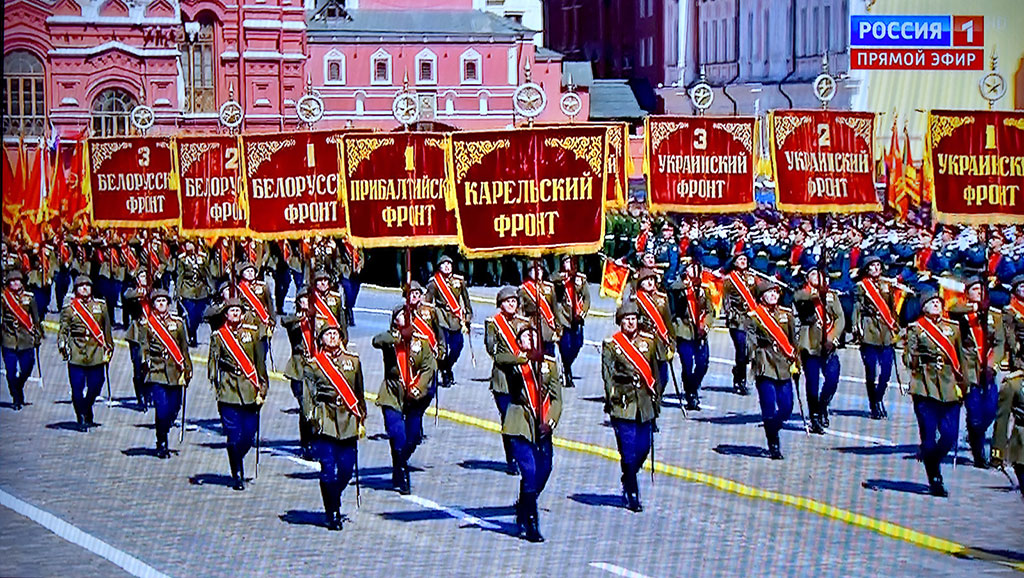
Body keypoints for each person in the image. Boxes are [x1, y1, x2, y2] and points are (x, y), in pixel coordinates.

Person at [302, 325, 365, 530]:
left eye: (335, 334)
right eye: (327, 334)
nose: (332, 337)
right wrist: (312, 418)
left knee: (346, 468)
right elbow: (308, 396)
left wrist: (361, 417)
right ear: (321, 339)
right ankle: (332, 511)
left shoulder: (352, 361)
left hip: (347, 419)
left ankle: (333, 497)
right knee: (328, 470)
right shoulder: (314, 365)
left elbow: (358, 391)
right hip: (326, 419)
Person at [503, 326, 562, 543]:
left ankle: (523, 503)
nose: (531, 338)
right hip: (519, 423)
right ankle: (532, 523)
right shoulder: (514, 362)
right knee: (529, 471)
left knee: (544, 470)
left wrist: (550, 422)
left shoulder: (549, 364)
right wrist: (526, 358)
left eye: (534, 335)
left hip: (542, 423)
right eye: (526, 336)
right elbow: (501, 359)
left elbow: (557, 398)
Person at [903, 290, 964, 497]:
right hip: (925, 386)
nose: (936, 304)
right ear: (923, 307)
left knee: (949, 436)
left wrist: (964, 382)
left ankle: (932, 459)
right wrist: (915, 355)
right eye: (931, 302)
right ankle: (934, 476)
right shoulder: (916, 329)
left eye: (938, 301)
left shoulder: (953, 328)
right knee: (928, 438)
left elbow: (960, 358)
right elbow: (908, 359)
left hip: (948, 387)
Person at [373, 304, 437, 494]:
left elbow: (429, 368)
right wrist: (399, 336)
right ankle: (401, 472)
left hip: (414, 396)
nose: (405, 318)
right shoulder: (390, 339)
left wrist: (419, 388)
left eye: (409, 315)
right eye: (401, 315)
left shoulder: (421, 341)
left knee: (414, 437)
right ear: (395, 320)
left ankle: (399, 460)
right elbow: (376, 341)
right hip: (392, 393)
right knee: (397, 434)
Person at [602, 301, 660, 512]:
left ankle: (628, 476)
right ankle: (632, 492)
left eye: (634, 318)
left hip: (644, 403)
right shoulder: (612, 344)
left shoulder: (648, 342)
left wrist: (657, 402)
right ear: (620, 322)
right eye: (626, 319)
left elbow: (655, 373)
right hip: (623, 403)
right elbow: (607, 375)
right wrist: (611, 399)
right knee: (627, 451)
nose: (630, 322)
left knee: (643, 447)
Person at [208, 299, 269, 491]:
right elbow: (213, 362)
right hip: (228, 390)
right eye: (231, 310)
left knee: (249, 435)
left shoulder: (252, 334)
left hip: (250, 389)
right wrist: (215, 383)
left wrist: (263, 386)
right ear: (225, 314)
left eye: (238, 310)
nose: (235, 313)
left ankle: (236, 457)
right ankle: (237, 472)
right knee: (233, 435)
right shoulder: (219, 336)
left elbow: (260, 363)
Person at [948, 277, 1003, 468]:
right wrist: (975, 308)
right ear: (968, 292)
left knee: (991, 410)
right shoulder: (962, 311)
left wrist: (993, 364)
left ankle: (974, 434)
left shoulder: (993, 314)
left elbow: (1000, 342)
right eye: (975, 289)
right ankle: (979, 453)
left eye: (982, 290)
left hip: (987, 370)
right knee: (975, 413)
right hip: (969, 369)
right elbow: (952, 309)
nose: (979, 293)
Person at [747, 280, 798, 459]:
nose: (774, 296)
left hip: (783, 363)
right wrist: (751, 353)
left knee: (787, 407)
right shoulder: (755, 316)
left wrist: (796, 361)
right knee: (768, 405)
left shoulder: (787, 314)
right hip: (765, 362)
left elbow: (793, 340)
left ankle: (772, 427)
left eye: (776, 292)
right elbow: (750, 338)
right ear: (762, 297)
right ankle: (773, 441)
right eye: (770, 293)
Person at [139, 290, 193, 458]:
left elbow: (183, 348)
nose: (161, 303)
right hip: (157, 370)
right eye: (157, 301)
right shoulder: (148, 324)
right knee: (161, 408)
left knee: (174, 407)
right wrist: (145, 360)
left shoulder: (177, 323)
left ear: (168, 304)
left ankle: (165, 427)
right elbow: (143, 345)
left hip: (175, 370)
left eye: (164, 301)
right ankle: (161, 441)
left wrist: (188, 368)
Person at [57, 276, 113, 431]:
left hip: (95, 351)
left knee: (96, 384)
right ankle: (81, 415)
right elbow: (63, 329)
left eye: (87, 285)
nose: (84, 288)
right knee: (77, 387)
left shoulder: (100, 306)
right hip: (77, 352)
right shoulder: (69, 309)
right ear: (75, 289)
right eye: (81, 286)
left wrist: (109, 347)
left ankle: (87, 405)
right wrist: (62, 344)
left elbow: (106, 328)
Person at [793, 266, 845, 433]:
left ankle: (823, 405)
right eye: (813, 274)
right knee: (812, 383)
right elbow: (802, 305)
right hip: (810, 344)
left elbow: (840, 319)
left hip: (828, 344)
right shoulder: (802, 294)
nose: (817, 277)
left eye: (820, 274)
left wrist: (832, 339)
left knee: (832, 378)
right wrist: (816, 295)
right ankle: (814, 416)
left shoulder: (831, 295)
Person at [485, 286, 531, 475]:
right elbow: (494, 351)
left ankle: (522, 455)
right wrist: (516, 358)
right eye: (507, 301)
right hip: (503, 380)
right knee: (507, 418)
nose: (511, 304)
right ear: (500, 304)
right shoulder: (494, 324)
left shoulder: (524, 323)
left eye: (514, 301)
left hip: (522, 378)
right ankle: (511, 457)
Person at [854, 255, 899, 419]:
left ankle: (879, 396)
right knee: (871, 371)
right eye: (872, 266)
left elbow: (893, 307)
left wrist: (896, 326)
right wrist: (856, 328)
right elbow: (857, 308)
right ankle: (874, 403)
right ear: (867, 269)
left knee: (887, 370)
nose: (876, 268)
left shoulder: (887, 285)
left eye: (878, 265)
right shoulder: (861, 286)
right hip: (869, 329)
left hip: (885, 331)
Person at [669, 261, 712, 411]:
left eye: (696, 268)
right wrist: (684, 279)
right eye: (691, 268)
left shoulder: (703, 288)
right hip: (684, 330)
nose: (694, 271)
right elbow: (672, 286)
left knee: (703, 363)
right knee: (687, 365)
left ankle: (693, 386)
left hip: (700, 332)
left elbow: (710, 310)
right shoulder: (680, 287)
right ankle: (690, 393)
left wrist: (706, 325)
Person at [426, 255, 473, 388]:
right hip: (440, 317)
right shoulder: (434, 283)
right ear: (439, 267)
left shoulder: (459, 281)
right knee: (443, 348)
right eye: (444, 264)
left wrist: (468, 316)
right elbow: (427, 303)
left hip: (456, 318)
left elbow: (466, 300)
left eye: (449, 264)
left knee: (458, 346)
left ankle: (447, 367)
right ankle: (445, 373)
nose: (447, 266)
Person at [281, 287, 316, 458]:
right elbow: (285, 321)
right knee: (305, 407)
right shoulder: (294, 321)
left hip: (316, 370)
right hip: (299, 369)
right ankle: (306, 443)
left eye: (308, 299)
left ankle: (316, 440)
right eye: (302, 300)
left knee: (317, 407)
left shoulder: (317, 320)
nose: (305, 302)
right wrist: (302, 316)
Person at [2, 271, 41, 410]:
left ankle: (18, 386)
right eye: (11, 281)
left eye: (17, 280)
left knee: (27, 367)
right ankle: (16, 398)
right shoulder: (4, 298)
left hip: (26, 340)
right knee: (11, 371)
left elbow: (36, 319)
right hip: (9, 339)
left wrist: (37, 336)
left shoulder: (29, 297)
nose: (15, 283)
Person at [631, 267, 673, 395]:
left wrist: (672, 343)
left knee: (663, 377)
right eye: (646, 280)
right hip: (643, 342)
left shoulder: (662, 299)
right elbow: (623, 318)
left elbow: (668, 323)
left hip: (660, 343)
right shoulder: (635, 300)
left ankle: (656, 397)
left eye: (652, 279)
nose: (649, 282)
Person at [722, 254, 756, 395]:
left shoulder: (752, 277)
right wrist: (730, 315)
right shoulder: (730, 280)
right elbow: (726, 300)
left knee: (751, 350)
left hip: (751, 318)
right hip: (737, 319)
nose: (743, 262)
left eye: (745, 260)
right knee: (741, 349)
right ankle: (740, 379)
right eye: (740, 260)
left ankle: (739, 369)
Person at [555, 255, 589, 385]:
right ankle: (567, 371)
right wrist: (563, 276)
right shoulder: (560, 279)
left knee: (578, 344)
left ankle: (567, 365)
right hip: (564, 317)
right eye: (566, 262)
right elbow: (552, 280)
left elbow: (587, 298)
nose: (568, 264)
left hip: (577, 318)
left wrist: (583, 313)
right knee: (565, 346)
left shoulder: (580, 279)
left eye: (571, 261)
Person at [176, 239, 212, 348]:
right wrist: (178, 292)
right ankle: (192, 336)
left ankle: (193, 331)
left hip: (201, 291)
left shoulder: (202, 258)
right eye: (186, 243)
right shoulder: (182, 259)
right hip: (187, 291)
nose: (188, 245)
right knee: (191, 315)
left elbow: (207, 274)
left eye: (190, 243)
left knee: (198, 315)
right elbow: (180, 276)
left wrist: (211, 287)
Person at [519, 262, 559, 356]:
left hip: (547, 328)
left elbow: (555, 309)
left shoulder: (549, 287)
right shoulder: (524, 290)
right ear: (529, 273)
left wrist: (558, 328)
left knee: (549, 356)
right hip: (533, 327)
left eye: (540, 270)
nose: (537, 272)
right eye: (534, 270)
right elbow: (521, 311)